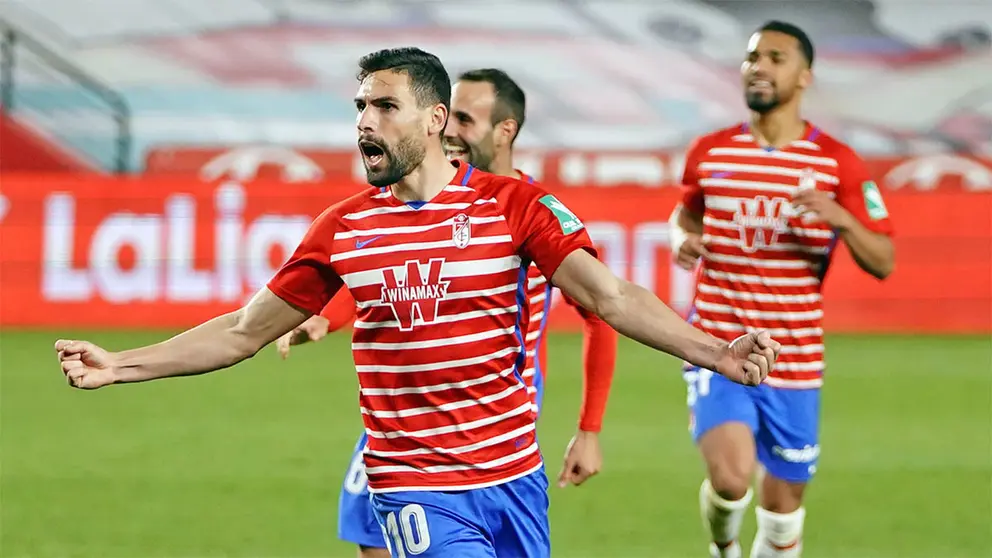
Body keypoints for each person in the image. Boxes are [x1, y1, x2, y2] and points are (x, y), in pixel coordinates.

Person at [56, 47, 781, 558]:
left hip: (515, 478)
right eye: (360, 107)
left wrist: (715, 353)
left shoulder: (516, 207)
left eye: (385, 106)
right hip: (416, 487)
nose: (366, 122)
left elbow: (611, 299)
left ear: (435, 120)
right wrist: (121, 364)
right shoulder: (342, 228)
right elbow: (243, 331)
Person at [278, 67, 619, 558]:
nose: (450, 129)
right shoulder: (427, 200)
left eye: (465, 118)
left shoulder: (532, 214)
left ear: (506, 131)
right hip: (410, 413)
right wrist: (325, 317)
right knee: (372, 539)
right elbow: (397, 277)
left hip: (496, 419)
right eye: (449, 114)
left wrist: (589, 431)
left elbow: (602, 312)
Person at [669, 21, 895, 558]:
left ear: (805, 76)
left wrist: (840, 216)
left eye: (775, 57)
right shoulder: (711, 152)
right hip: (719, 343)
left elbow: (883, 259)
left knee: (782, 504)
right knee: (731, 478)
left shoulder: (836, 162)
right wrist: (684, 236)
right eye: (752, 57)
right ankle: (723, 548)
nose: (759, 67)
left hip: (796, 358)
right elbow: (686, 211)